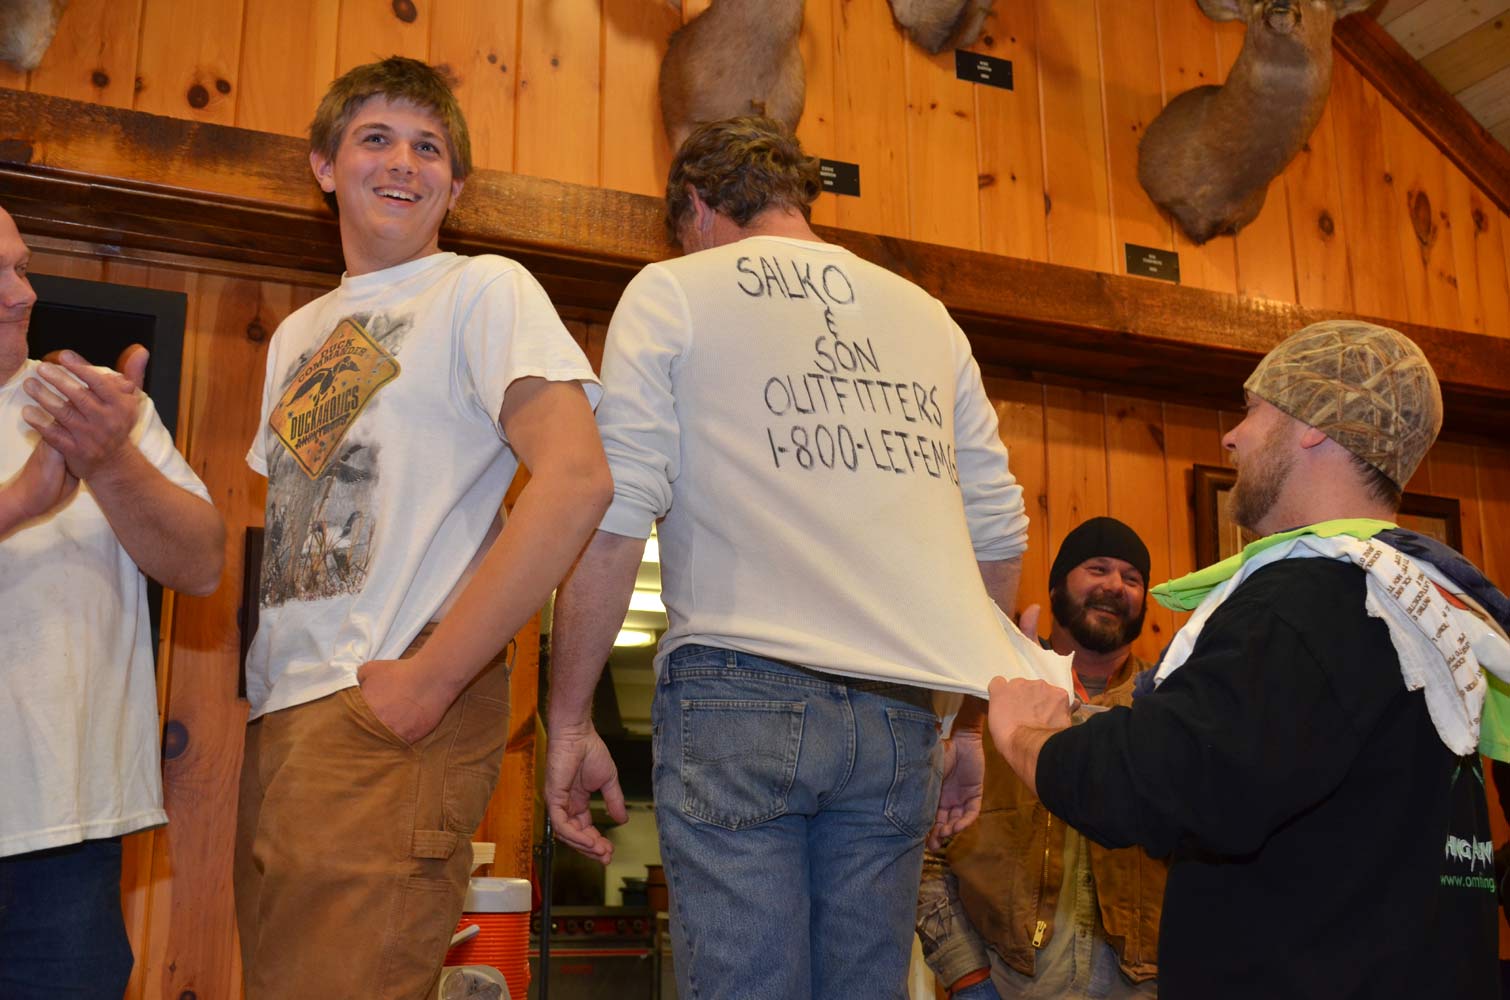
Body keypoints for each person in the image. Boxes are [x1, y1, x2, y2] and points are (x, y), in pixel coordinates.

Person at [545, 116, 1034, 1000]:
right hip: (897, 708)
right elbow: (998, 534)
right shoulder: (925, 315)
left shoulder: (673, 289)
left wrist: (571, 721)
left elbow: (616, 517)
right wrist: (966, 724)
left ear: (696, 206)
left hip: (739, 690)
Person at [234, 57, 612, 1000]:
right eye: (376, 138)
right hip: (286, 713)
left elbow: (576, 481)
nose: (403, 161)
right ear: (325, 166)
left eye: (429, 146)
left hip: (390, 705)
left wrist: (429, 681)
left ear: (456, 184)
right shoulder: (300, 334)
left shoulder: (483, 289)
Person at [988, 321, 1509, 999]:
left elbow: (1161, 781)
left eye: (1253, 409)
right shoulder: (1426, 608)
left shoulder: (1310, 600)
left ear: (1315, 423)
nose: (1232, 436)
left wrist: (1025, 734)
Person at [0, 204, 225, 998]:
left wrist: (110, 459)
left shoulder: (94, 408)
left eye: (20, 267)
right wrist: (20, 502)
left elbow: (201, 565)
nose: (23, 294)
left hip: (66, 833)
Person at [919, 517, 1168, 999]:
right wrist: (966, 974)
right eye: (1098, 568)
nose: (1116, 585)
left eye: (1132, 577)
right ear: (1055, 587)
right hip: (1004, 980)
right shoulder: (982, 699)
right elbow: (924, 847)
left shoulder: (1170, 707)